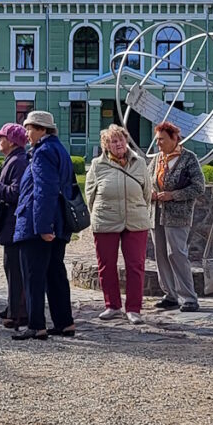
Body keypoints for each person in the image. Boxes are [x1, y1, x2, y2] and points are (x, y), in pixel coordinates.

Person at [11, 111, 75, 341]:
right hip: (57, 221)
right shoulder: (59, 149)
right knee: (55, 273)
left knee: (34, 275)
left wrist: (43, 226)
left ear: (42, 129)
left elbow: (44, 190)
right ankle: (64, 322)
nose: (26, 133)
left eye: (29, 128)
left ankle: (36, 325)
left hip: (38, 224)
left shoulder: (43, 152)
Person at [86, 124, 153, 325]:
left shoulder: (139, 163)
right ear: (106, 145)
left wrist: (137, 209)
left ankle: (134, 308)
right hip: (106, 220)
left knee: (136, 265)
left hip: (135, 221)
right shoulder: (97, 165)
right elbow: (90, 195)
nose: (119, 144)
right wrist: (100, 214)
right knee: (106, 265)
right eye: (113, 141)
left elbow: (147, 193)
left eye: (121, 140)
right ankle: (112, 305)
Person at [148, 121, 205, 312]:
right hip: (157, 214)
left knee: (177, 254)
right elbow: (147, 180)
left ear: (174, 139)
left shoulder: (188, 158)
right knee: (161, 255)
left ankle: (189, 297)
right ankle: (170, 295)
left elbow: (198, 187)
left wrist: (173, 195)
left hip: (178, 216)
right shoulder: (157, 159)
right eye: (157, 140)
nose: (158, 143)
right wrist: (151, 193)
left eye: (162, 139)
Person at [0, 123, 30, 329]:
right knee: (11, 267)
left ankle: (18, 312)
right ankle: (14, 307)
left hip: (14, 223)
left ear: (11, 141)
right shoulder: (14, 159)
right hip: (11, 223)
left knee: (15, 269)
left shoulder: (18, 161)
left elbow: (16, 193)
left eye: (2, 137)